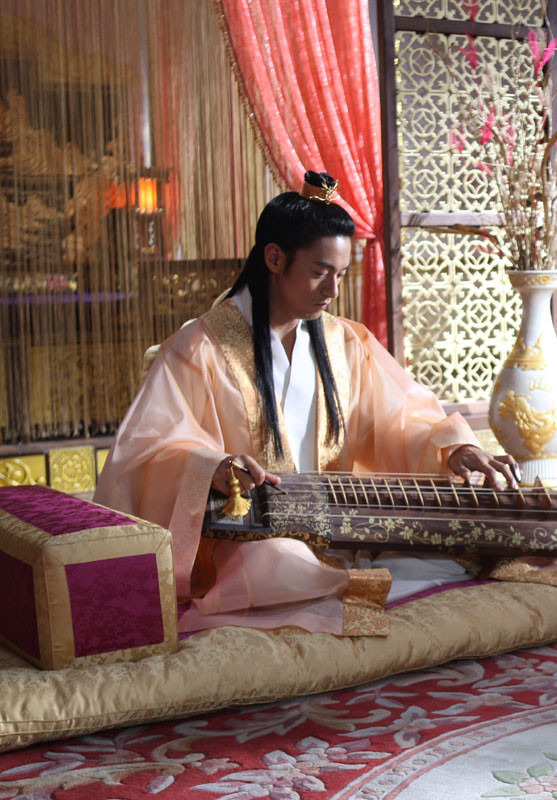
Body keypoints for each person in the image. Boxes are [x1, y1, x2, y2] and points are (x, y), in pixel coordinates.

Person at [95, 171, 521, 636]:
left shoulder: (343, 341)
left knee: (445, 543)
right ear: (274, 258)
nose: (332, 291)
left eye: (340, 275)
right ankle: (352, 584)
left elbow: (399, 419)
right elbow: (149, 449)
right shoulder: (200, 347)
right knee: (279, 562)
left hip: (338, 519)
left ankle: (350, 580)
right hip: (250, 537)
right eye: (320, 272)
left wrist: (452, 447)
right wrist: (211, 467)